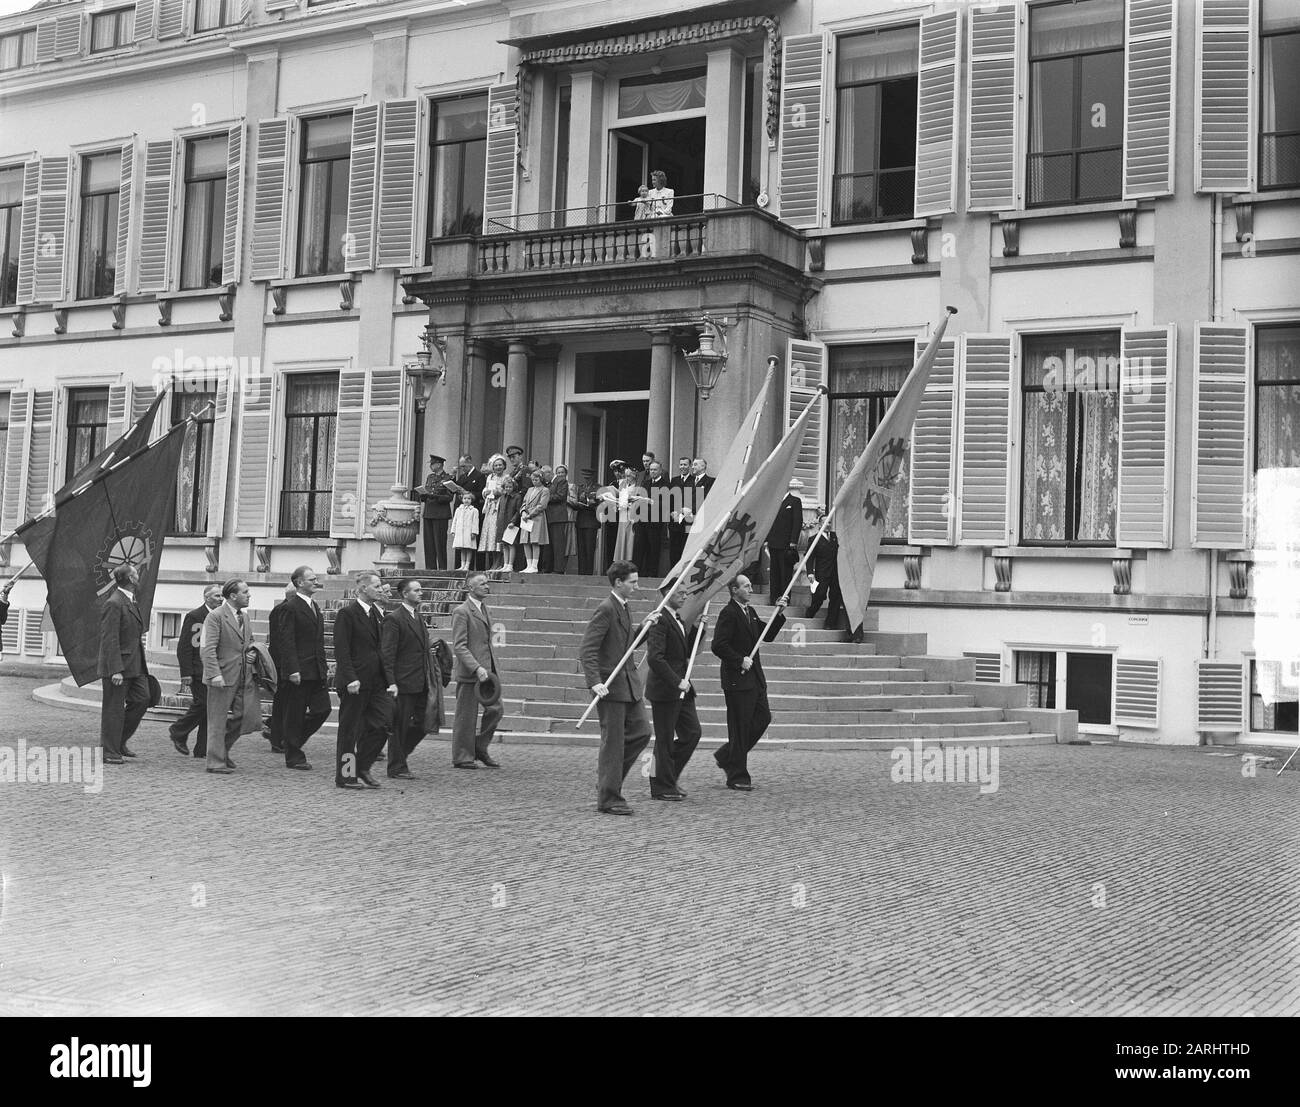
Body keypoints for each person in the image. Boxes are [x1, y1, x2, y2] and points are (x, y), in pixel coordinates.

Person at [581, 560, 653, 816]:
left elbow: (628, 644)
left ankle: (607, 780)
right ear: (618, 582)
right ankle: (609, 797)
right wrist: (595, 682)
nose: (636, 585)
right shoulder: (606, 609)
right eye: (632, 582)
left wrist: (645, 627)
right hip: (610, 686)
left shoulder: (623, 606)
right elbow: (588, 650)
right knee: (613, 743)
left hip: (628, 685)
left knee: (642, 732)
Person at [710, 574, 786, 791]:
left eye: (751, 585)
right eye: (746, 586)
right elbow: (718, 645)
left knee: (763, 718)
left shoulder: (749, 612)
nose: (751, 589)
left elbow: (767, 634)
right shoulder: (729, 613)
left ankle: (727, 755)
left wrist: (778, 613)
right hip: (737, 681)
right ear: (734, 590)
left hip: (755, 680)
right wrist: (738, 660)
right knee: (740, 728)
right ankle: (737, 776)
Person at [331, 572, 391, 790]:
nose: (380, 589)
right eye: (376, 586)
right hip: (355, 683)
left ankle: (362, 766)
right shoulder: (347, 614)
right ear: (364, 588)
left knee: (384, 723)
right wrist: (350, 678)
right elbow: (342, 650)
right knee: (350, 732)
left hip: (376, 682)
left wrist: (389, 680)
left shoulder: (376, 614)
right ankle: (346, 776)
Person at [269, 565, 332, 771]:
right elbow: (286, 641)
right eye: (311, 579)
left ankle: (291, 739)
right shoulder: (290, 607)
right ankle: (294, 755)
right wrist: (292, 669)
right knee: (295, 713)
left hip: (316, 670)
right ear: (299, 583)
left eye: (315, 579)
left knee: (323, 710)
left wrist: (324, 666)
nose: (316, 582)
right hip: (299, 671)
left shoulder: (315, 606)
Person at [645, 587, 702, 802]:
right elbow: (655, 658)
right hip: (665, 689)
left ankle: (668, 776)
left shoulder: (677, 618)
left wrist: (698, 628)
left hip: (682, 689)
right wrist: (676, 681)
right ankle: (660, 785)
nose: (685, 596)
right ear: (668, 594)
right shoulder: (661, 619)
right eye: (681, 593)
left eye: (686, 593)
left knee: (692, 733)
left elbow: (683, 650)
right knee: (664, 739)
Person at [381, 577, 440, 780]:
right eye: (416, 590)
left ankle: (400, 756)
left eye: (421, 590)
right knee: (400, 725)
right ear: (405, 594)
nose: (420, 593)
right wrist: (391, 682)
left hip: (421, 679)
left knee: (424, 722)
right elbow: (387, 653)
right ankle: (396, 766)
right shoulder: (395, 619)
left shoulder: (418, 616)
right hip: (403, 681)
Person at [201, 578, 257, 775]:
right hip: (221, 676)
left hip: (243, 675)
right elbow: (208, 648)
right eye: (245, 592)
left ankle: (221, 751)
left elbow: (249, 641)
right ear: (233, 596)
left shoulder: (245, 617)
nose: (249, 595)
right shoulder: (215, 617)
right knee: (217, 720)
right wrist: (214, 674)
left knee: (244, 716)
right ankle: (215, 762)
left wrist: (252, 652)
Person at [97, 563, 151, 765]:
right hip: (118, 667)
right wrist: (115, 670)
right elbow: (109, 638)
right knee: (113, 709)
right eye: (136, 574)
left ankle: (118, 741)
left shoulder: (130, 600)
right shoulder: (114, 602)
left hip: (135, 665)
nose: (139, 577)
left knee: (142, 699)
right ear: (130, 579)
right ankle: (109, 751)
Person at [450, 572, 502, 769]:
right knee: (466, 715)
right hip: (472, 673)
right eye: (482, 584)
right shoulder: (461, 611)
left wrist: (489, 667)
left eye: (487, 583)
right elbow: (459, 645)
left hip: (489, 671)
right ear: (470, 588)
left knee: (496, 710)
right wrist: (476, 667)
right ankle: (462, 756)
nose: (487, 586)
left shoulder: (484, 608)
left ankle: (480, 746)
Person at [169, 584, 222, 758]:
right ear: (206, 597)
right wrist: (186, 673)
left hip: (214, 669)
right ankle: (178, 730)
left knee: (209, 709)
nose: (220, 599)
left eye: (221, 596)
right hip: (198, 670)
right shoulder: (195, 616)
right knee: (203, 704)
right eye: (216, 596)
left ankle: (202, 748)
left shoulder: (220, 616)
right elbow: (184, 646)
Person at [767, 477, 805, 605]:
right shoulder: (772, 501)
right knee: (774, 573)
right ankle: (774, 599)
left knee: (785, 573)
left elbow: (797, 522)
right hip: (773, 542)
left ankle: (785, 599)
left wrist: (793, 541)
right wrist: (766, 540)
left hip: (786, 544)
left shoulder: (794, 501)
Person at [805, 509, 844, 631]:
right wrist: (810, 572)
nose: (828, 524)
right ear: (820, 524)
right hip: (821, 573)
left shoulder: (835, 537)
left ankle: (830, 623)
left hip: (835, 573)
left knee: (835, 597)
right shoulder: (813, 539)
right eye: (826, 522)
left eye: (830, 522)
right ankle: (810, 612)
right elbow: (809, 557)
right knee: (820, 595)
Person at [416, 454, 455, 571]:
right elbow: (426, 493)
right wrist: (422, 495)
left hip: (440, 513)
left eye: (433, 464)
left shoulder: (448, 478)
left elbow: (449, 497)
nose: (431, 466)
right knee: (429, 543)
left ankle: (442, 568)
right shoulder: (430, 477)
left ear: (439, 464)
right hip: (428, 512)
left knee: (440, 542)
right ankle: (430, 568)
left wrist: (434, 496)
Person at [637, 459, 669, 577]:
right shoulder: (645, 483)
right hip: (642, 521)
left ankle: (652, 574)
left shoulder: (665, 485)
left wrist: (652, 501)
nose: (653, 472)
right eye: (651, 470)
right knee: (640, 548)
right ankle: (640, 574)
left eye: (655, 469)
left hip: (655, 522)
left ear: (660, 470)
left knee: (653, 549)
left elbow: (666, 504)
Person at [477, 454, 508, 570]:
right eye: (496, 465)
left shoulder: (507, 477)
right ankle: (493, 562)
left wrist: (498, 491)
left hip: (500, 507)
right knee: (490, 536)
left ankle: (499, 562)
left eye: (500, 465)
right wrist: (485, 492)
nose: (498, 467)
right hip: (490, 507)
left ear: (504, 466)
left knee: (498, 535)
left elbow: (508, 491)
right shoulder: (490, 477)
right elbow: (486, 488)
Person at [570, 468, 601, 576]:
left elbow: (600, 503)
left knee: (589, 548)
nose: (586, 479)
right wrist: (576, 503)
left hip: (591, 521)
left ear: (593, 477)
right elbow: (575, 504)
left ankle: (589, 573)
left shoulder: (598, 487)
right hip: (581, 520)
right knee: (581, 549)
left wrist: (589, 501)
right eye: (585, 477)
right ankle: (581, 572)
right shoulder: (580, 488)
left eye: (588, 477)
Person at [520, 469, 551, 573]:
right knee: (526, 541)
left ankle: (534, 566)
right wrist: (523, 512)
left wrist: (529, 515)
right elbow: (524, 502)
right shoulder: (529, 490)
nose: (534, 481)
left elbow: (542, 505)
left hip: (537, 518)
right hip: (526, 518)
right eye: (533, 479)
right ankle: (528, 565)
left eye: (536, 479)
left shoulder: (545, 490)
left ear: (541, 479)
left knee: (535, 542)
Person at [542, 464, 570, 573]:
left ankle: (558, 569)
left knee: (558, 544)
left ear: (549, 473)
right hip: (548, 517)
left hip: (558, 517)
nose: (543, 478)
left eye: (544, 475)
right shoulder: (548, 484)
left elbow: (561, 496)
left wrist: (545, 498)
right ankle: (548, 568)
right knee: (548, 544)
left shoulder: (561, 481)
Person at [668, 456, 693, 566]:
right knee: (674, 548)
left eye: (685, 464)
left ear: (690, 466)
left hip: (687, 520)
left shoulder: (693, 481)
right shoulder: (674, 480)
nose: (682, 467)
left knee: (685, 547)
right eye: (681, 464)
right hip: (674, 519)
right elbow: (670, 498)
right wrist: (671, 512)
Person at [495, 476, 524, 571]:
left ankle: (510, 564)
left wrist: (513, 521)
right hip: (502, 522)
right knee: (504, 544)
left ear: (513, 487)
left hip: (511, 523)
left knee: (511, 544)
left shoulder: (517, 497)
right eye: (506, 487)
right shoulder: (502, 497)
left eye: (510, 487)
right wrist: (498, 522)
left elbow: (518, 511)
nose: (508, 489)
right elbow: (499, 510)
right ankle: (505, 564)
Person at [450, 491, 480, 571]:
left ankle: (467, 565)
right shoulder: (458, 509)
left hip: (469, 532)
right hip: (460, 532)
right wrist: (453, 530)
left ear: (471, 500)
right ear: (462, 499)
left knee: (468, 548)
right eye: (465, 498)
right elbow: (455, 520)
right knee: (462, 549)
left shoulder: (474, 510)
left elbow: (475, 522)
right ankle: (462, 565)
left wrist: (474, 532)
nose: (466, 500)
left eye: (469, 499)